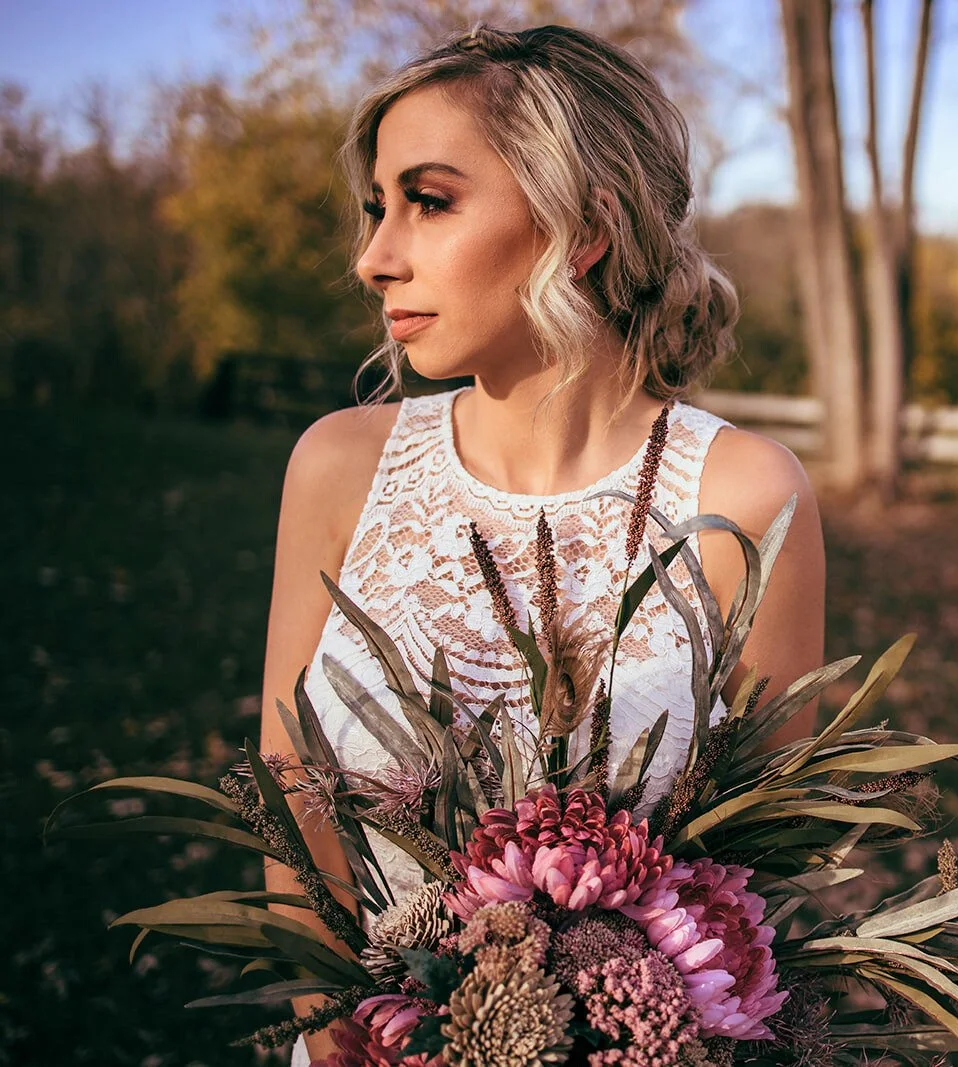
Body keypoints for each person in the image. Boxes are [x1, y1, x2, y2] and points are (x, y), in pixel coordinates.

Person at [257, 25, 824, 1064]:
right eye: (379, 207)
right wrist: (334, 1030)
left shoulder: (745, 497)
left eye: (429, 202)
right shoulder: (338, 467)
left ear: (585, 225)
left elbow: (766, 872)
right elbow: (293, 798)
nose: (372, 257)